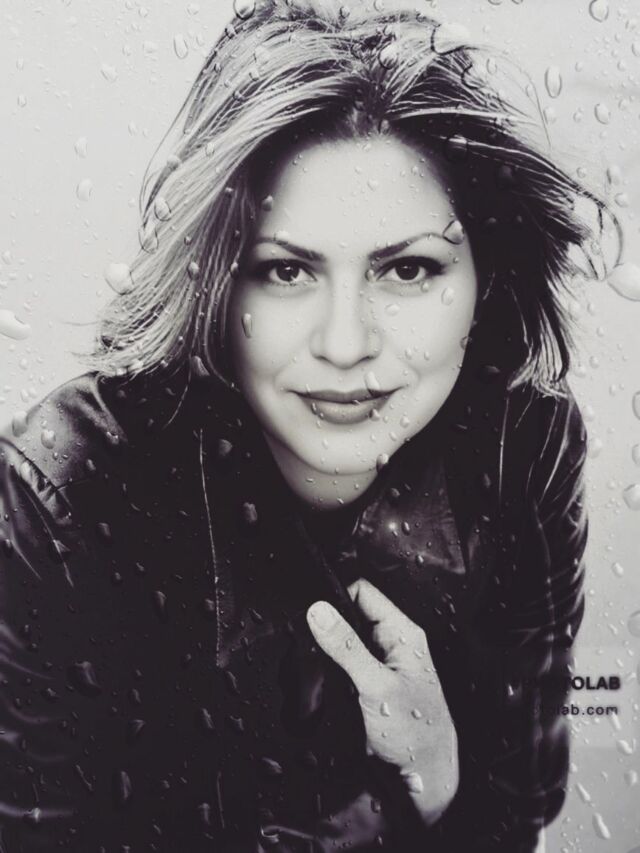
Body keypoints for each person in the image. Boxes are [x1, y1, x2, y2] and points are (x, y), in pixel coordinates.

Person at [0, 1, 619, 850]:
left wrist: (438, 777)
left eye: (409, 269)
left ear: (484, 277)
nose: (345, 344)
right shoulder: (65, 493)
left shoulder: (524, 446)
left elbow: (518, 809)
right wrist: (370, 812)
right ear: (217, 285)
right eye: (286, 271)